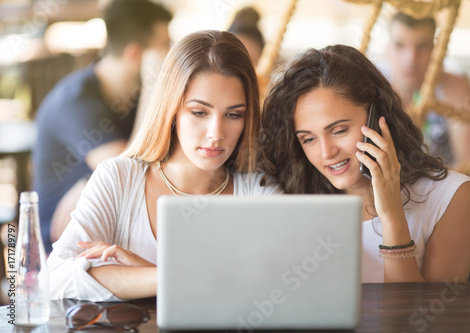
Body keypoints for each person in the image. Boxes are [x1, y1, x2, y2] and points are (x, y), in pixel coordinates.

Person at [46, 30, 282, 302]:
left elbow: (271, 290)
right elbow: (55, 279)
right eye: (199, 112)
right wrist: (167, 277)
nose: (216, 133)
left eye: (233, 114)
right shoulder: (119, 178)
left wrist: (144, 273)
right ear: (172, 109)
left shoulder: (259, 191)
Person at [259, 44, 470, 283]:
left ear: (377, 116)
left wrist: (392, 216)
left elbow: (419, 318)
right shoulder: (289, 197)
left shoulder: (452, 196)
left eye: (339, 130)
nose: (326, 152)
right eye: (308, 139)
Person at [32, 0, 173, 253]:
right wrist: (155, 83)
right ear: (135, 54)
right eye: (164, 47)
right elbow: (130, 173)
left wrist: (87, 182)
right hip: (64, 249)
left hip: (116, 233)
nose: (171, 57)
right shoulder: (74, 100)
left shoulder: (134, 97)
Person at [385, 12, 470, 167]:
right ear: (388, 50)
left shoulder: (454, 87)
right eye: (400, 45)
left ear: (435, 50)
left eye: (422, 46)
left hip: (445, 186)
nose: (411, 58)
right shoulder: (373, 87)